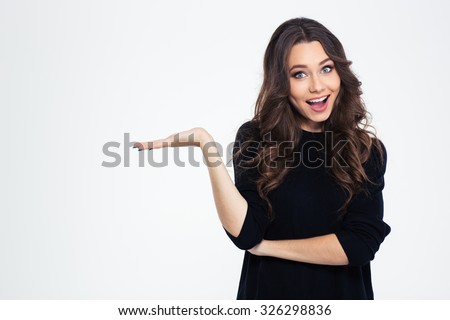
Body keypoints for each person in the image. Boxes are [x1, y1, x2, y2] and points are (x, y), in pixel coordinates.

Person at [133, 17, 391, 300]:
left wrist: (269, 247)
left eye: (326, 69)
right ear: (282, 82)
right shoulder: (257, 138)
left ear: (340, 72)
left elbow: (360, 245)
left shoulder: (365, 150)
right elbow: (245, 234)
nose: (317, 86)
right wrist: (206, 145)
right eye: (299, 74)